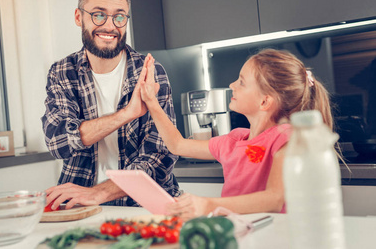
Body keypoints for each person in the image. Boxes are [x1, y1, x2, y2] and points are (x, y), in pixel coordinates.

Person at [139, 48, 334, 220]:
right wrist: (151, 101)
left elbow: (274, 199)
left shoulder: (287, 137)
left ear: (264, 102)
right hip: (236, 232)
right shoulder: (234, 140)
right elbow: (178, 145)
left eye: (241, 82)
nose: (232, 85)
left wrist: (207, 205)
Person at [41, 0, 180, 209]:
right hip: (79, 205)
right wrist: (126, 114)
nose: (110, 26)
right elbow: (58, 141)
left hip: (143, 205)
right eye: (98, 14)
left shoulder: (149, 73)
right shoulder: (63, 72)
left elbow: (160, 155)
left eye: (119, 16)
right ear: (79, 17)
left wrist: (98, 193)